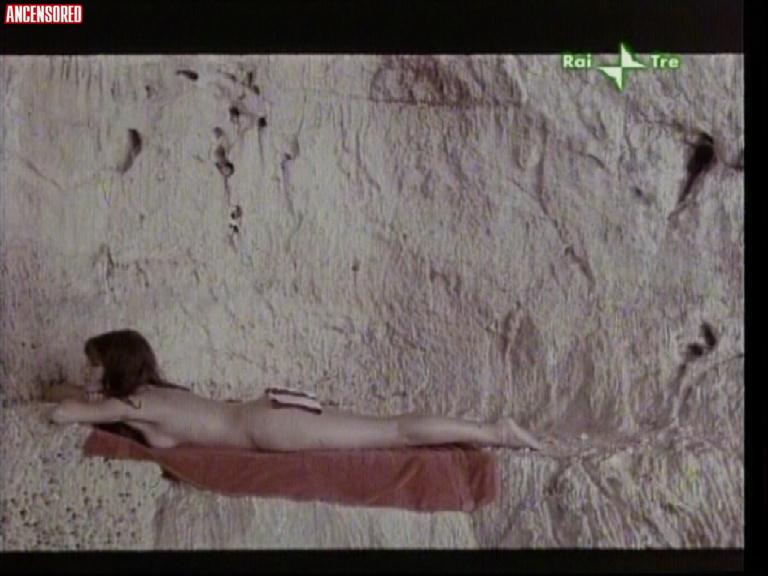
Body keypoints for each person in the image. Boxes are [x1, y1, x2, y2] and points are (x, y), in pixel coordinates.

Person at [46, 329, 553, 453]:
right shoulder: (153, 393)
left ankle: (495, 432)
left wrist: (80, 396)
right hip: (270, 409)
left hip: (272, 424)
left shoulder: (132, 403)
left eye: (94, 366)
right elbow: (67, 396)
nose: (87, 374)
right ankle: (491, 430)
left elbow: (62, 413)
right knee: (388, 428)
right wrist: (81, 390)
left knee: (393, 433)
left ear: (114, 369)